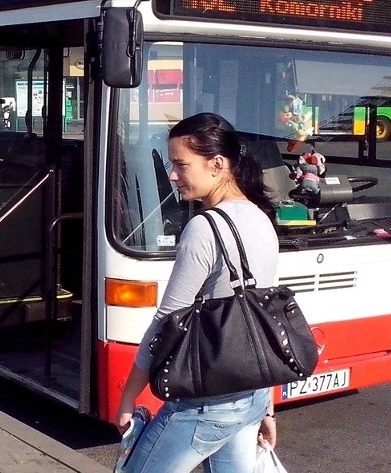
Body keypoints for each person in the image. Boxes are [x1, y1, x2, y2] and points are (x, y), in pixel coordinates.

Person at [115, 112, 279, 473]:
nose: (172, 175)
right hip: (248, 397)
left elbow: (166, 323)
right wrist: (265, 405)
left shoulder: (204, 228)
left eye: (180, 165)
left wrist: (128, 398)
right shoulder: (261, 217)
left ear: (217, 164)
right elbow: (260, 321)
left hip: (204, 407)